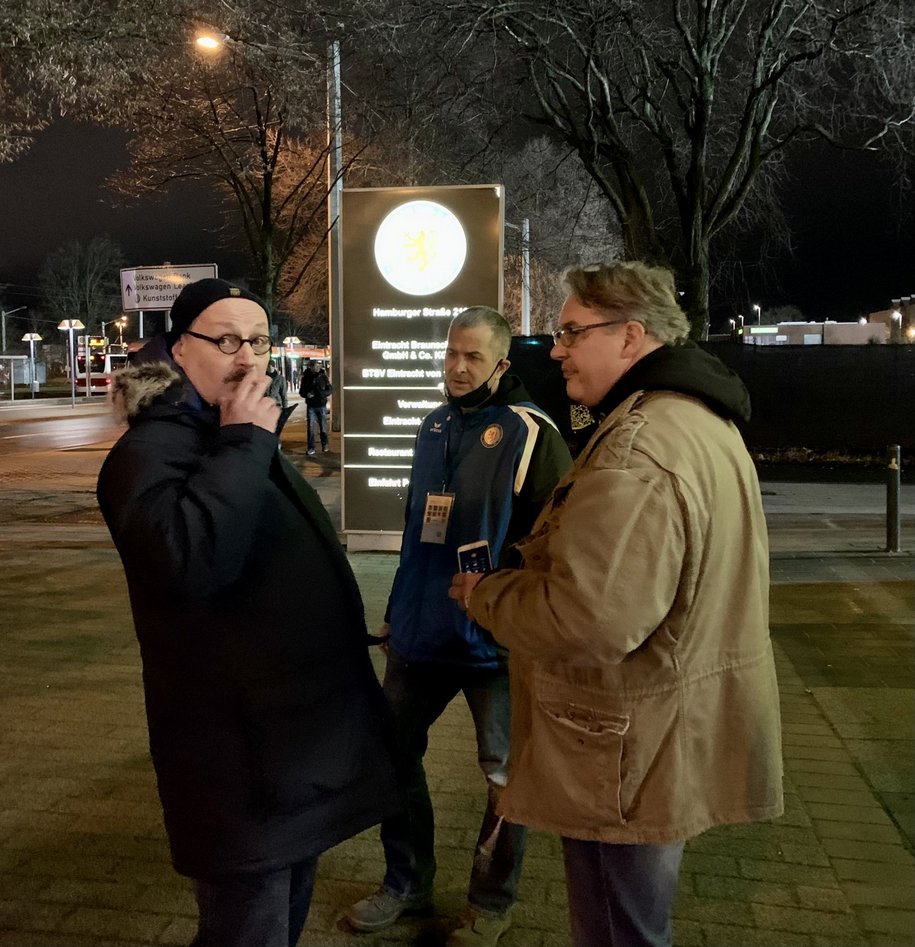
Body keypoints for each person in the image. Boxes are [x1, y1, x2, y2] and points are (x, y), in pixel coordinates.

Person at [449, 262, 784, 947]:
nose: (559, 348)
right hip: (662, 730)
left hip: (622, 748)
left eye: (572, 331)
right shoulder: (695, 420)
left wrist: (488, 594)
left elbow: (587, 620)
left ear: (631, 336)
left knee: (616, 929)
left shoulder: (638, 445)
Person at [96, 278, 399, 947]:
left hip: (292, 749)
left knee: (282, 913)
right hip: (237, 760)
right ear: (179, 349)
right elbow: (190, 561)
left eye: (259, 340)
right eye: (227, 339)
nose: (248, 357)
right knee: (247, 926)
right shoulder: (149, 454)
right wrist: (241, 442)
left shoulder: (237, 435)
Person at [347, 307, 573, 947]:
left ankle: (490, 904)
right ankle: (407, 884)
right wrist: (395, 610)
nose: (456, 366)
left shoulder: (533, 434)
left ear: (501, 364)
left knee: (506, 777)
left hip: (494, 646)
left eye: (472, 356)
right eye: (451, 353)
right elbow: (419, 531)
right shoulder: (432, 426)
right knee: (391, 756)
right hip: (419, 633)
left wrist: (512, 609)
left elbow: (555, 544)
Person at [298, 359, 332, 454]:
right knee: (310, 427)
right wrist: (307, 394)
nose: (316, 368)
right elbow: (302, 391)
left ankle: (325, 444)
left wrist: (322, 394)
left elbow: (330, 389)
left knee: (323, 427)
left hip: (321, 405)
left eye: (318, 366)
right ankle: (311, 447)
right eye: (314, 366)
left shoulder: (323, 377)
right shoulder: (306, 377)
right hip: (311, 405)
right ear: (310, 367)